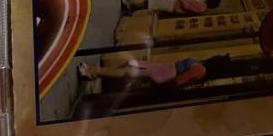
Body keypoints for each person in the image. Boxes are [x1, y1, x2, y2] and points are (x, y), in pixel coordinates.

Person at [78, 57, 206, 87]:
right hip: (165, 69)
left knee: (128, 71)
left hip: (166, 73)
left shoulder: (200, 69)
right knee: (130, 63)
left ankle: (91, 72)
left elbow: (180, 80)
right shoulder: (199, 66)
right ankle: (93, 73)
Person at [128, 0, 221, 15]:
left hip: (175, 6)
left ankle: (131, 8)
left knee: (152, 2)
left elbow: (187, 6)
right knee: (152, 2)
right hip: (175, 5)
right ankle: (132, 8)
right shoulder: (202, 6)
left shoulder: (201, 6)